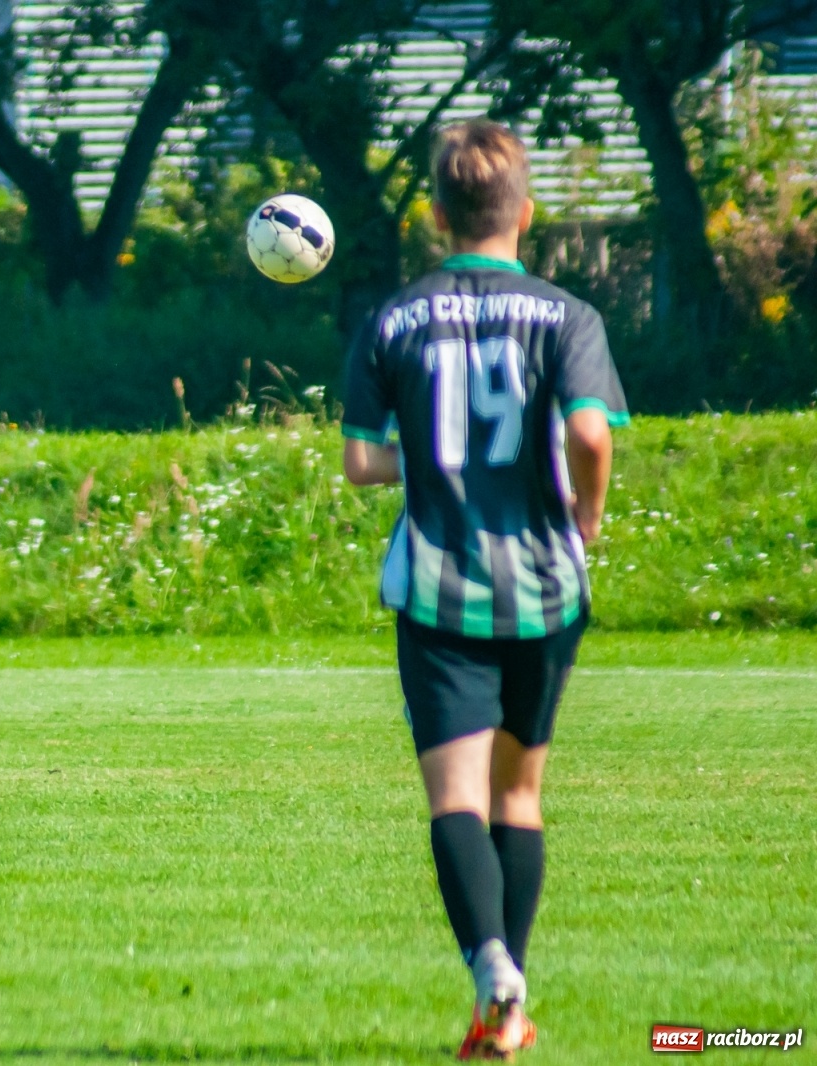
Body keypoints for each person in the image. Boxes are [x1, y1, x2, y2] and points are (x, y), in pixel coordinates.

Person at [339, 120, 627, 1060]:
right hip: (545, 585)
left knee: (455, 796)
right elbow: (590, 434)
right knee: (520, 796)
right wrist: (586, 512)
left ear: (436, 215)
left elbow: (359, 462)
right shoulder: (569, 317)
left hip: (439, 584)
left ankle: (492, 971)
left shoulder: (393, 317)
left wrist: (425, 454)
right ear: (526, 213)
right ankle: (508, 998)